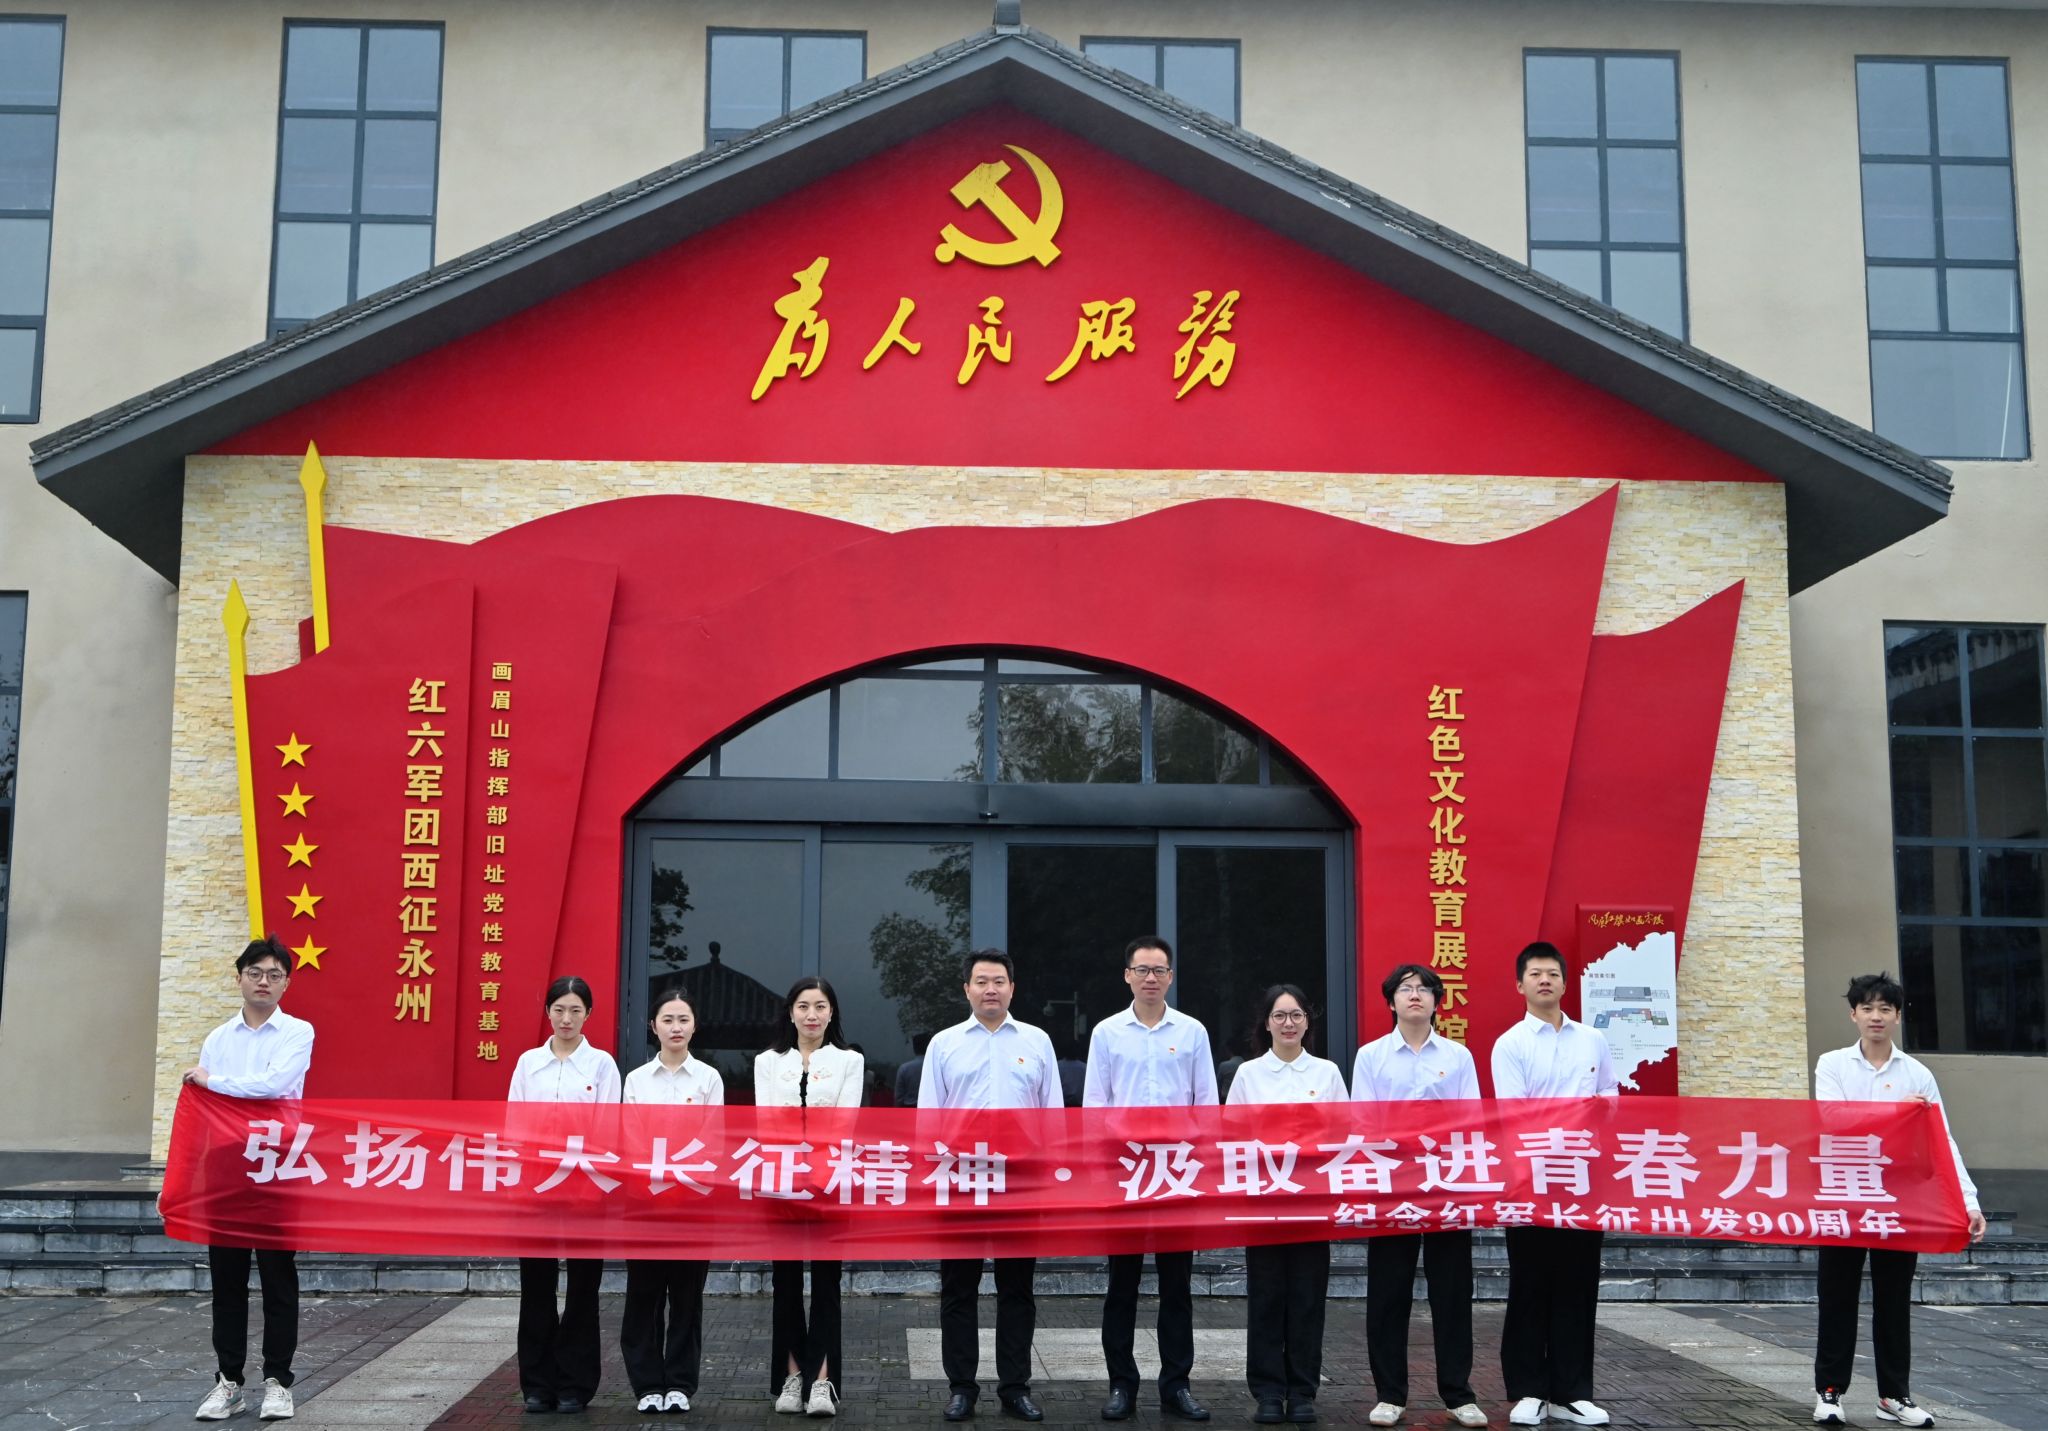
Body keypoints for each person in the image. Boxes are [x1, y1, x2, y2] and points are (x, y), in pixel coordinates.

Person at [1811, 972, 1985, 1429]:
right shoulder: (1833, 1065)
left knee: (1894, 1299)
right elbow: (1834, 1122)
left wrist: (1968, 1201)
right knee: (1837, 1296)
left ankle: (1893, 1395)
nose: (1876, 1016)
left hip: (1897, 1198)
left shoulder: (1917, 1074)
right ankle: (1829, 1392)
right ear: (1853, 1014)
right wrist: (1899, 1114)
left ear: (1898, 1016)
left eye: (1885, 1009)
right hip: (1845, 1195)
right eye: (1867, 1008)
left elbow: (1943, 1140)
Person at [919, 949, 1062, 1423]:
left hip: (1020, 1183)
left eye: (999, 981)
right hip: (960, 1181)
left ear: (1012, 988)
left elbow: (1052, 1117)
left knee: (1017, 1289)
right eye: (981, 981)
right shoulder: (944, 1044)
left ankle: (1015, 1388)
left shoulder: (1037, 1041)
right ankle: (962, 1388)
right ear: (967, 989)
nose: (990, 989)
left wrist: (1051, 1177)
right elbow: (928, 1120)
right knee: (958, 1290)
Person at [1083, 935, 1219, 1423]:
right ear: (1127, 976)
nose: (1150, 978)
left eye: (1159, 970)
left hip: (1177, 1172)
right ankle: (1121, 1384)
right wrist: (1098, 1168)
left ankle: (1176, 1386)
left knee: (1176, 1286)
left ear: (1170, 977)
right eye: (1142, 969)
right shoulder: (1107, 1032)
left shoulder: (1192, 1031)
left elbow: (1206, 1103)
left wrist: (1203, 1164)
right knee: (1121, 1285)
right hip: (1124, 1172)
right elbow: (1095, 1105)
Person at [1350, 965, 1486, 1429]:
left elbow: (1471, 1120)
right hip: (1392, 1187)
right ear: (1391, 1001)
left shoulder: (1458, 1056)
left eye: (1424, 989)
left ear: (1436, 1001)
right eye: (1406, 989)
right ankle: (1390, 1394)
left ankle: (1458, 1394)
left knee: (1452, 1292)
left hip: (1447, 1187)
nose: (1415, 995)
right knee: (1388, 1293)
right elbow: (1362, 1123)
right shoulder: (1371, 1056)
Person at [188, 935, 316, 1422]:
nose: (264, 981)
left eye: (274, 975)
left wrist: (214, 1081)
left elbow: (274, 1086)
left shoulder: (297, 1032)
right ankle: (228, 1382)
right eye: (255, 973)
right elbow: (205, 1111)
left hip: (277, 1163)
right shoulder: (219, 1039)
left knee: (278, 1277)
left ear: (286, 983)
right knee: (227, 1280)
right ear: (239, 977)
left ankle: (279, 1382)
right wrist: (182, 1181)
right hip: (226, 1167)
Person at [1489, 942, 1617, 1429]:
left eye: (1553, 974)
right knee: (1530, 1282)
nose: (1545, 980)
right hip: (1531, 1179)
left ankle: (1571, 1392)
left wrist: (1595, 1108)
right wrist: (1572, 1114)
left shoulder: (1593, 1040)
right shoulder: (1511, 1044)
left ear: (1565, 983)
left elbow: (1610, 1095)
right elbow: (1513, 1113)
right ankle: (1528, 1390)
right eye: (1535, 974)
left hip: (1584, 1178)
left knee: (1578, 1284)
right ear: (1519, 985)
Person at [1226, 984, 1346, 1425]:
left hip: (1312, 1203)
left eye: (1296, 1015)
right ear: (1266, 1023)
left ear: (1307, 1021)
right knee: (1266, 1297)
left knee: (1308, 1298)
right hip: (1263, 1203)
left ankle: (1302, 1390)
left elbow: (1343, 1135)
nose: (1288, 1023)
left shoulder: (1327, 1073)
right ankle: (1268, 1392)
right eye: (1279, 1016)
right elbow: (1232, 1136)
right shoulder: (1249, 1075)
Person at [508, 975, 621, 1415]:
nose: (567, 1019)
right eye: (559, 1010)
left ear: (588, 1014)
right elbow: (515, 1126)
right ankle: (537, 1384)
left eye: (575, 1010)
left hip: (585, 1187)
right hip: (536, 1188)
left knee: (582, 1289)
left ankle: (575, 1384)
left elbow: (608, 1128)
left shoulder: (602, 1065)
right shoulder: (528, 1063)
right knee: (536, 1286)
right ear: (548, 1012)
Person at [755, 976, 864, 1418]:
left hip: (830, 1184)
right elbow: (766, 1123)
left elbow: (845, 1122)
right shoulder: (767, 1061)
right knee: (785, 1285)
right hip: (780, 1182)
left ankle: (822, 1381)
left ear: (831, 1012)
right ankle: (790, 1376)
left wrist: (816, 1169)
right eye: (803, 1006)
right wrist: (792, 1165)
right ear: (791, 1012)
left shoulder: (849, 1060)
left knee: (826, 1285)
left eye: (820, 1006)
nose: (812, 1015)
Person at [621, 986, 722, 1415]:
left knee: (686, 1298)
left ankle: (679, 1383)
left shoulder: (708, 1079)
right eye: (668, 1019)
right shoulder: (637, 1080)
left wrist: (680, 1177)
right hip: (644, 1204)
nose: (676, 1027)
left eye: (683, 1019)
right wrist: (655, 1179)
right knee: (643, 1296)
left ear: (694, 1025)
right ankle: (646, 1384)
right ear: (653, 1026)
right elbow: (630, 1139)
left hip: (692, 1205)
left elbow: (713, 1140)